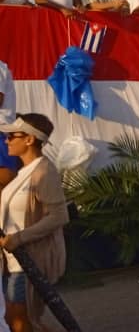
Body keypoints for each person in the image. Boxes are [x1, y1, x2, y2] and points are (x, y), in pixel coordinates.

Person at [0, 114, 68, 331]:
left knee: (21, 321)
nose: (6, 140)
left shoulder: (44, 172)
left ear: (29, 139)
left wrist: (19, 238)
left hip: (29, 260)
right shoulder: (23, 173)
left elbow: (59, 216)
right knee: (17, 320)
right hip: (12, 260)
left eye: (12, 136)